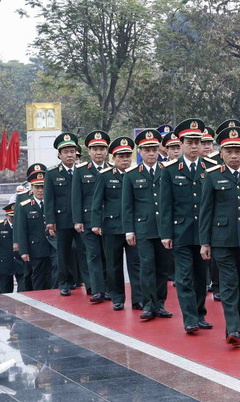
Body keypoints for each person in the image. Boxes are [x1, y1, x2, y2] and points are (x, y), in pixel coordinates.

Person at [200, 125, 240, 347]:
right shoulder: (212, 176)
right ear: (221, 153)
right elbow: (205, 211)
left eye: (238, 151)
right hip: (222, 240)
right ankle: (232, 329)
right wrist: (205, 242)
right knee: (230, 284)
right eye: (229, 151)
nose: (234, 156)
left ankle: (237, 326)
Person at [160, 119, 214, 334]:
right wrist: (166, 233)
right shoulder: (170, 170)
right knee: (184, 276)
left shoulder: (210, 168)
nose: (194, 147)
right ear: (180, 144)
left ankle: (200, 313)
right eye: (189, 142)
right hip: (180, 230)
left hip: (203, 232)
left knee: (202, 276)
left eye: (197, 142)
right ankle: (189, 318)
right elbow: (165, 204)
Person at [123, 129, 173, 322]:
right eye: (147, 150)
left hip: (164, 229)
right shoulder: (132, 174)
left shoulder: (166, 171)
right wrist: (129, 230)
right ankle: (148, 304)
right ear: (140, 152)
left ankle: (160, 304)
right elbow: (127, 205)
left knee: (162, 268)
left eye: (154, 149)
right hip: (143, 228)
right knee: (146, 267)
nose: (151, 153)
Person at [91, 136, 142, 311]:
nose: (125, 159)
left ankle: (138, 299)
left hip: (134, 227)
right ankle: (117, 298)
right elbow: (97, 201)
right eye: (121, 156)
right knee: (113, 265)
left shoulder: (137, 175)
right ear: (113, 158)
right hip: (112, 227)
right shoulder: (105, 176)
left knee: (136, 264)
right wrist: (96, 223)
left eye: (128, 155)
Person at [72, 130, 111, 303]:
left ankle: (110, 288)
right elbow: (76, 197)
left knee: (109, 256)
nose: (99, 152)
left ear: (107, 150)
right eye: (95, 149)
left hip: (109, 220)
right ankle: (97, 290)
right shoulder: (80, 171)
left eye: (102, 148)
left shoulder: (113, 169)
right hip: (88, 221)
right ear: (89, 151)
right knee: (93, 255)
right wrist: (77, 220)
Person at [45, 132, 85, 296]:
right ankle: (64, 282)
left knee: (85, 251)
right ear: (59, 154)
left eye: (72, 151)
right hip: (62, 219)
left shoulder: (83, 170)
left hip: (82, 219)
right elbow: (49, 199)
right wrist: (50, 221)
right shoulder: (52, 173)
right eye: (66, 152)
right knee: (63, 252)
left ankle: (88, 283)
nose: (70, 155)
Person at [18, 167, 54, 291]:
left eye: (43, 187)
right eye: (37, 187)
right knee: (38, 277)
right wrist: (23, 251)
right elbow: (21, 230)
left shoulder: (52, 204)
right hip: (36, 248)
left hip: (53, 246)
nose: (40, 190)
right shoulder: (25, 207)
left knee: (54, 276)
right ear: (32, 188)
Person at [0, 203, 23, 293]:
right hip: (4, 265)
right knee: (6, 293)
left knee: (23, 291)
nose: (13, 219)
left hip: (20, 263)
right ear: (6, 215)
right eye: (11, 217)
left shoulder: (22, 225)